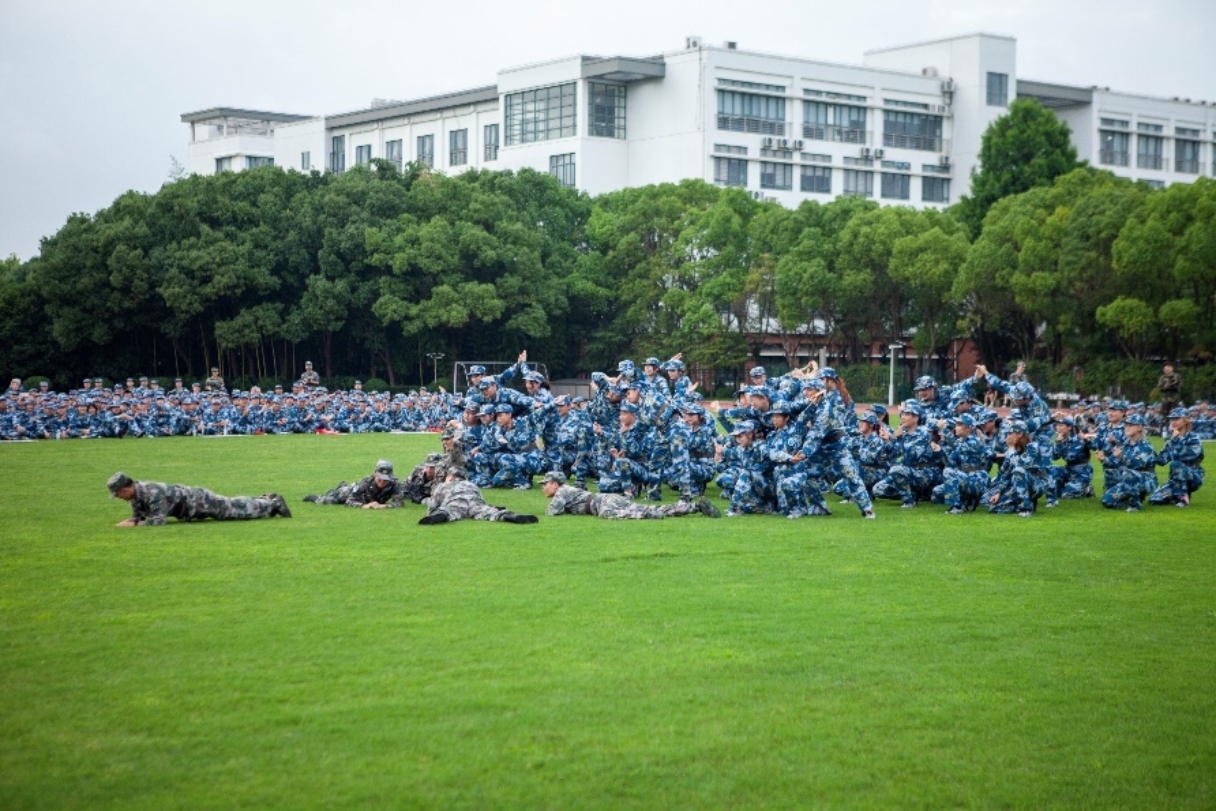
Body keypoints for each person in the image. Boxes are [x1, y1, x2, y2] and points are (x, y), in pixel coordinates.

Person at [107, 471, 290, 525]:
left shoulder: (151, 492)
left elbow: (159, 520)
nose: (120, 498)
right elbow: (138, 517)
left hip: (197, 501)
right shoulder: (136, 496)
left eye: (120, 493)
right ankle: (265, 499)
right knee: (232, 504)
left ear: (127, 487)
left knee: (234, 511)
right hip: (191, 505)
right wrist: (132, 521)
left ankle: (272, 504)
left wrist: (135, 525)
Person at [542, 471, 720, 519]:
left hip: (602, 503)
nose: (544, 488)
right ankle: (695, 507)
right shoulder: (566, 491)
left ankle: (645, 515)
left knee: (607, 514)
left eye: (546, 484)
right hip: (607, 498)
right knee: (654, 507)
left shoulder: (562, 491)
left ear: (555, 484)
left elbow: (552, 513)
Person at [418, 470, 538, 524]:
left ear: (451, 477)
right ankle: (508, 515)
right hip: (474, 502)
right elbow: (481, 500)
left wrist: (431, 513)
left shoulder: (443, 485)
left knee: (449, 511)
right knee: (489, 512)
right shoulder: (471, 484)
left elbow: (433, 504)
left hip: (455, 501)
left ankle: (443, 515)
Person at [1096, 414, 1157, 512]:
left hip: (1146, 478)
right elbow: (1113, 462)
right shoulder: (1124, 444)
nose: (1127, 427)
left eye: (1131, 425)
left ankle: (1135, 505)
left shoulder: (1146, 446)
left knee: (1130, 473)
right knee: (1106, 501)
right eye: (1126, 425)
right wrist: (1104, 459)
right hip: (1127, 477)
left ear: (1140, 427)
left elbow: (1138, 464)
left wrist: (1121, 456)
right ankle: (1128, 498)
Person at [1148, 408, 1204, 507]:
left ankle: (1183, 497)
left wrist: (1176, 440)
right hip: (1176, 479)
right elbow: (1162, 461)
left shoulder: (1194, 438)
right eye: (1172, 419)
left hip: (1193, 475)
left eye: (1177, 419)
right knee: (1155, 499)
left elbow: (1188, 455)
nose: (1173, 422)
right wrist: (1150, 451)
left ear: (1186, 420)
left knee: (1176, 464)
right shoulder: (1172, 439)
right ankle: (1176, 496)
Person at [303, 459, 407, 508]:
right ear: (375, 473)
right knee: (334, 500)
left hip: (371, 500)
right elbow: (350, 501)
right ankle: (316, 498)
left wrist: (383, 506)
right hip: (349, 493)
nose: (383, 481)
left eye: (386, 479)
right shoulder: (365, 482)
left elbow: (399, 502)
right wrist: (364, 506)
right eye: (380, 478)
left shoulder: (395, 484)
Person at [1157, 363, 1182, 435]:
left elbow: (1178, 387)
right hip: (1165, 399)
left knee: (1175, 415)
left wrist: (1169, 387)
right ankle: (1162, 432)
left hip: (1174, 399)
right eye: (1165, 368)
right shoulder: (1162, 377)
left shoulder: (1177, 376)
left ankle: (1176, 431)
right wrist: (1164, 388)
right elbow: (1160, 388)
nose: (1167, 369)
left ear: (1172, 368)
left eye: (1168, 367)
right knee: (1163, 415)